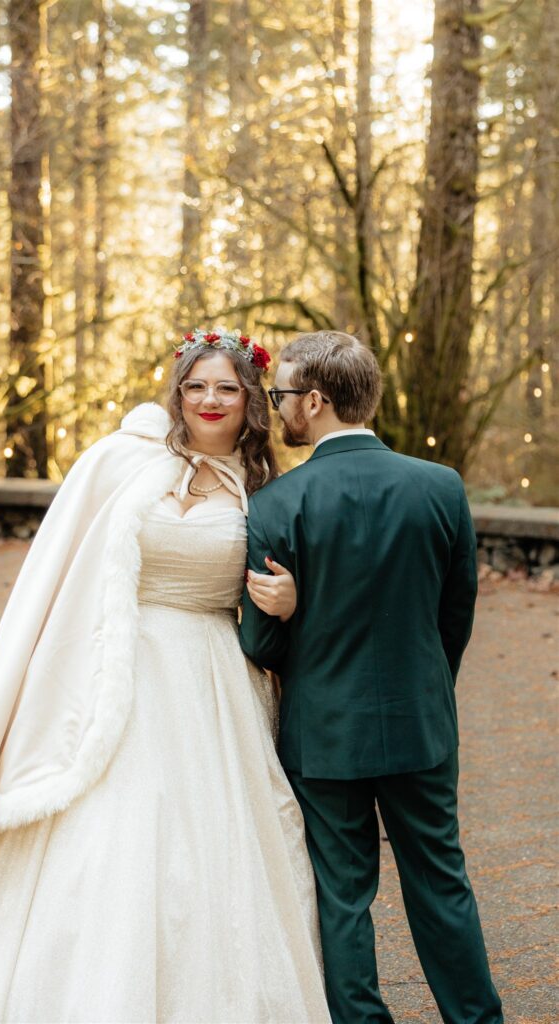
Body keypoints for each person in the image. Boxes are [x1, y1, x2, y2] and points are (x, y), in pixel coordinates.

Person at [0, 328, 331, 1024]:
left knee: (203, 842)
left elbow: (294, 590)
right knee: (100, 831)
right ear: (177, 393)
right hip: (111, 662)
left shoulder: (265, 489)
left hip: (210, 681)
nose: (209, 400)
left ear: (249, 398)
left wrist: (291, 600)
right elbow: (56, 571)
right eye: (195, 386)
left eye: (225, 387)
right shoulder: (121, 461)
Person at [240, 330, 504, 1024]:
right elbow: (454, 615)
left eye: (282, 394)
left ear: (315, 401)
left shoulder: (274, 505)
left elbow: (260, 641)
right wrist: (426, 689)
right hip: (421, 721)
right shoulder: (440, 486)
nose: (277, 406)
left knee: (342, 895)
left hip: (324, 730)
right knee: (441, 883)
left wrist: (295, 618)